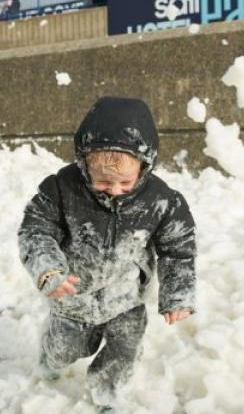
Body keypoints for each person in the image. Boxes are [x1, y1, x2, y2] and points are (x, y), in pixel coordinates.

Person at [18, 96, 196, 412]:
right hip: (74, 296)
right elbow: (36, 228)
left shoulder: (162, 201)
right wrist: (47, 269)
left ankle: (106, 395)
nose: (114, 190)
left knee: (124, 351)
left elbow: (177, 248)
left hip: (126, 299)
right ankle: (50, 356)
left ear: (145, 166)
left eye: (125, 182)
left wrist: (177, 294)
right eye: (103, 182)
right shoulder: (62, 188)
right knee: (66, 349)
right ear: (85, 163)